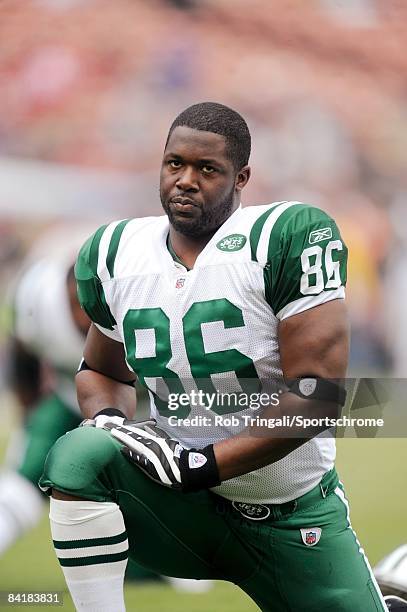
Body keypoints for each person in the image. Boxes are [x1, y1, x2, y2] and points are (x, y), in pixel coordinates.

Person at [39, 102, 387, 611]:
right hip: (183, 508)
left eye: (207, 169)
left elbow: (317, 395)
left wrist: (203, 464)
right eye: (174, 163)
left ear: (241, 176)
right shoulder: (119, 251)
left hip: (290, 514)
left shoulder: (282, 238)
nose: (185, 180)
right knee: (80, 454)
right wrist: (115, 422)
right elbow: (98, 371)